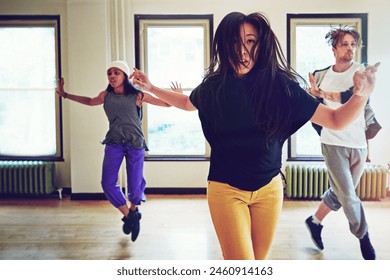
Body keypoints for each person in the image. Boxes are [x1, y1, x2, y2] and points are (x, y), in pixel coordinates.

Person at [130, 12, 378, 260]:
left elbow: (336, 119)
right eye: (235, 42)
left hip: (269, 191)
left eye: (250, 41)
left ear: (261, 45)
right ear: (225, 45)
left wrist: (360, 95)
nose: (242, 50)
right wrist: (151, 88)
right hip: (226, 190)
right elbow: (186, 102)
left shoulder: (279, 85)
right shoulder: (214, 86)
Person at [56, 60, 171, 242]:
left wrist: (176, 95)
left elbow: (166, 104)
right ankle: (129, 216)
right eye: (109, 73)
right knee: (107, 183)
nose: (112, 76)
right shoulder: (105, 96)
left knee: (135, 186)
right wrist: (65, 95)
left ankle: (134, 210)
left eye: (116, 73)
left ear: (124, 76)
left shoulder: (138, 96)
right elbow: (89, 100)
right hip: (114, 142)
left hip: (135, 144)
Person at [305, 26, 378, 260]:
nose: (350, 49)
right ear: (334, 48)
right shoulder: (322, 75)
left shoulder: (361, 72)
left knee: (342, 192)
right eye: (345, 44)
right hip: (332, 142)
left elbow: (353, 96)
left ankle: (314, 221)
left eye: (353, 45)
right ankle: (363, 236)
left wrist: (324, 94)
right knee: (347, 194)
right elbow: (314, 108)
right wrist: (316, 95)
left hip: (358, 143)